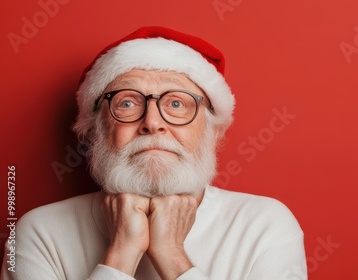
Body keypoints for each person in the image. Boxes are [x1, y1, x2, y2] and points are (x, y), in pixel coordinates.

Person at [1, 26, 306, 279]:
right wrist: (121, 253)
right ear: (96, 131)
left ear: (213, 131)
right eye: (127, 103)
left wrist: (172, 254)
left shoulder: (266, 225)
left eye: (176, 103)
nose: (152, 122)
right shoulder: (38, 231)